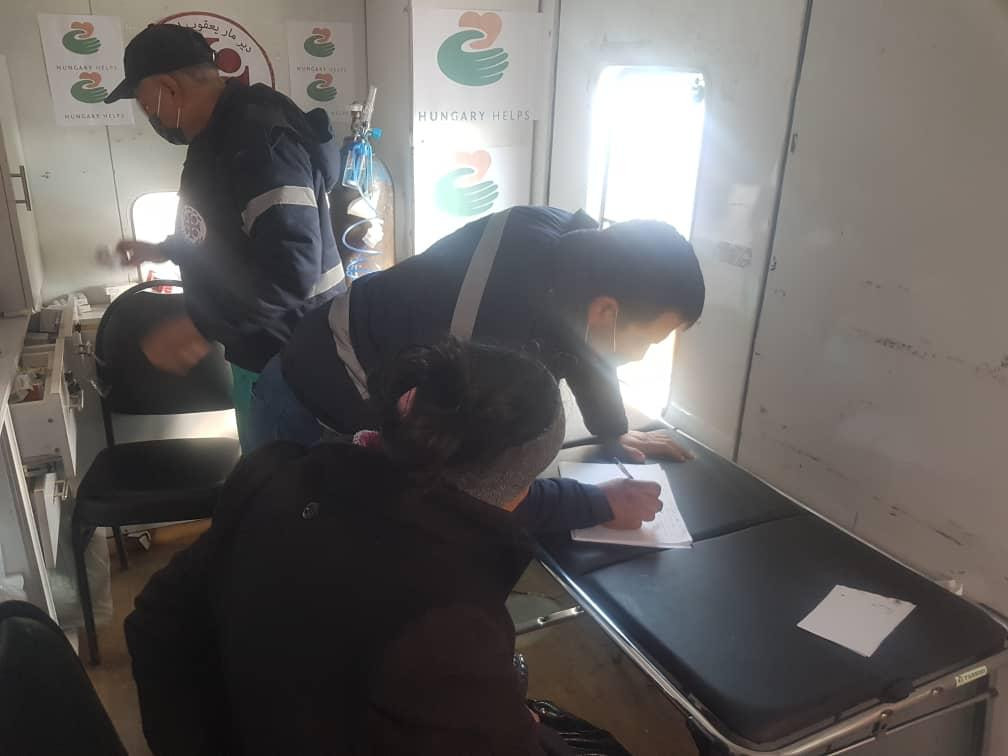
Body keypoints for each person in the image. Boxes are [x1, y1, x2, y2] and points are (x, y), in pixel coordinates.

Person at [125, 339, 651, 755]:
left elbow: (155, 618)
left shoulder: (277, 475)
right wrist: (521, 725)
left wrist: (594, 502)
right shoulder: (449, 623)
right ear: (518, 484)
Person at [249, 205, 705, 459]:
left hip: (357, 367)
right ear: (607, 311)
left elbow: (583, 347)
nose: (642, 356)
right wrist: (592, 505)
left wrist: (612, 430)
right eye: (650, 341)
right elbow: (454, 474)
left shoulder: (575, 249)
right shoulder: (493, 332)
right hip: (314, 398)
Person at [104, 24, 346, 447]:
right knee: (263, 472)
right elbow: (219, 230)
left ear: (168, 88)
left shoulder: (258, 140)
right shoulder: (216, 135)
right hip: (259, 346)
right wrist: (163, 249)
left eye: (146, 105)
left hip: (291, 355)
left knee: (279, 481)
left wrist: (200, 327)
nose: (151, 118)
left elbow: (291, 269)